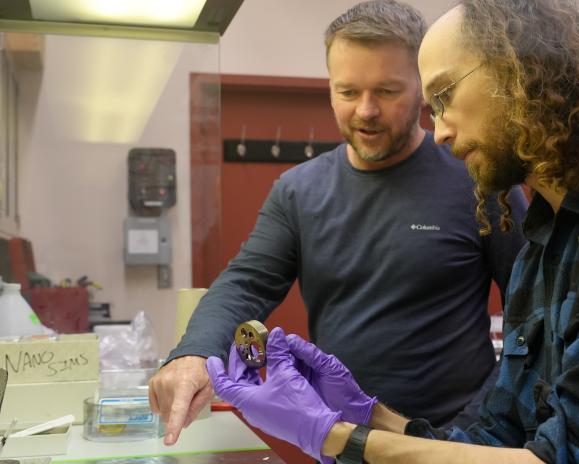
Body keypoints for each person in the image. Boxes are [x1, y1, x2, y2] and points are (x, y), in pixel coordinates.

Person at [204, 0, 579, 462]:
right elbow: (501, 433)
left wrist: (334, 437)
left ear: (522, 75)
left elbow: (573, 459)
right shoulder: (548, 234)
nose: (440, 132)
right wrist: (363, 412)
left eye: (444, 96)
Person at [149, 0, 527, 446]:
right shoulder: (298, 192)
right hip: (342, 439)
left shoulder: (476, 179)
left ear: (422, 89)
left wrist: (478, 427)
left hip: (454, 441)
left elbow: (531, 312)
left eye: (386, 91)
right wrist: (194, 353)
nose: (365, 110)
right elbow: (245, 284)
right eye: (347, 92)